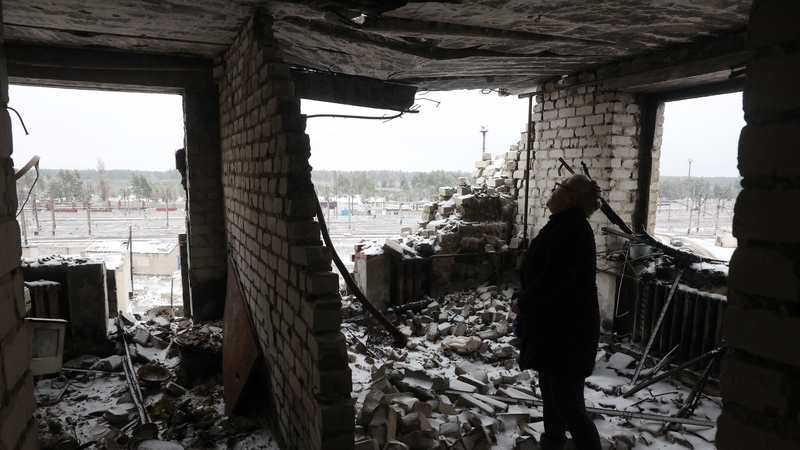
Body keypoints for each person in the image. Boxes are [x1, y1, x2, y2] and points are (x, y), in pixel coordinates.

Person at [510, 174, 602, 450]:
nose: (553, 191)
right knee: (552, 398)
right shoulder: (563, 224)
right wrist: (524, 298)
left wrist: (524, 302)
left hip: (568, 333)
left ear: (572, 197)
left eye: (558, 188)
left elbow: (555, 279)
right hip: (554, 330)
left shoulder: (571, 229)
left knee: (568, 404)